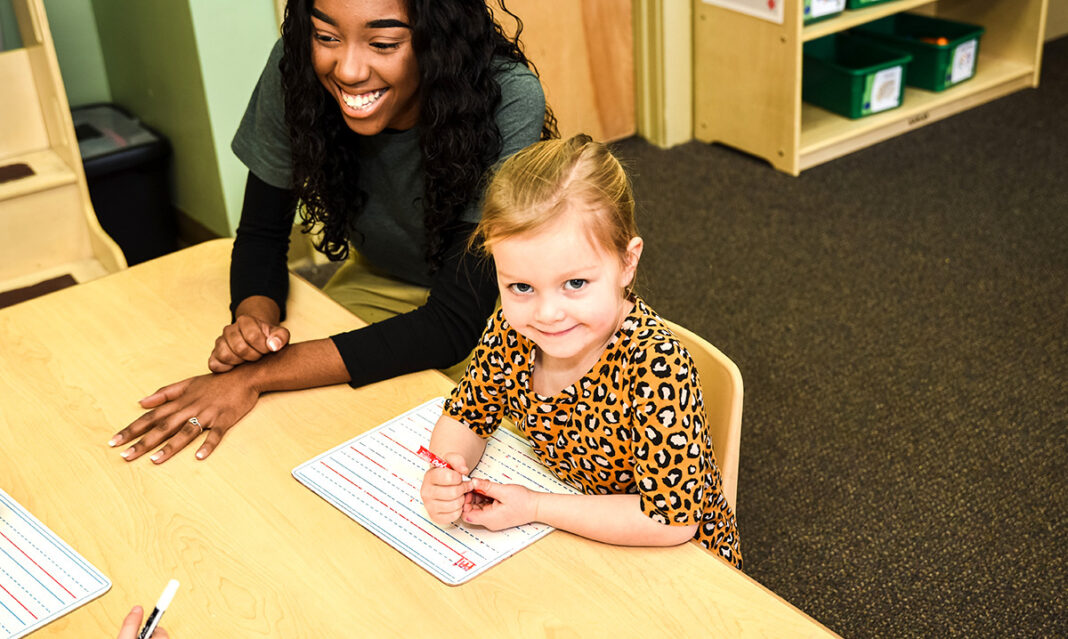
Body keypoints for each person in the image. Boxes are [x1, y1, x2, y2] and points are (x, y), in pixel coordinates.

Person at [108, 0, 556, 464]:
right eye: (326, 37)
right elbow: (262, 232)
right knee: (300, 436)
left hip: (508, 306)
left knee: (526, 459)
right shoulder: (297, 66)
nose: (348, 69)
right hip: (383, 280)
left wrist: (254, 376)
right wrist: (253, 326)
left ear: (438, 40)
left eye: (382, 43)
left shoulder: (508, 95)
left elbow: (452, 325)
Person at [418, 135, 743, 568]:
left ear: (628, 262)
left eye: (575, 284)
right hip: (575, 533)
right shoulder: (512, 333)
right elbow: (467, 415)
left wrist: (534, 507)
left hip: (677, 561)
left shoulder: (656, 367)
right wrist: (446, 470)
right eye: (521, 287)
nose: (547, 314)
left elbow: (670, 521)